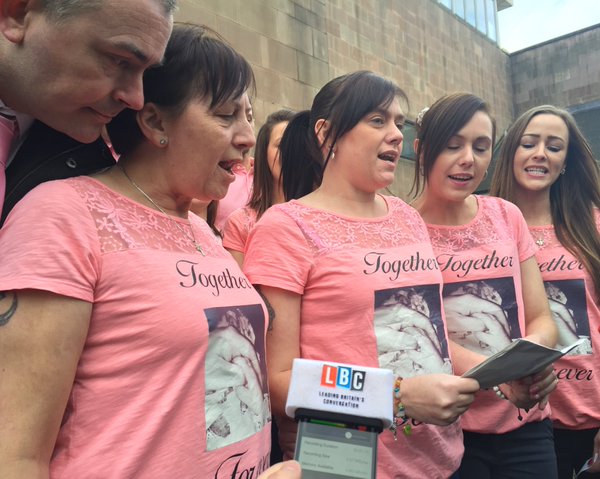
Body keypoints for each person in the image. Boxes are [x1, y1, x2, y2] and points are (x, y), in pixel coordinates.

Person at [0, 23, 287, 477]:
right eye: (226, 115)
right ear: (154, 121)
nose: (248, 136)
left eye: (250, 115)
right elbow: (14, 455)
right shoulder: (64, 216)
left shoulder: (201, 229)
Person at [243, 71, 480, 479]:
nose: (395, 135)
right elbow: (276, 381)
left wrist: (496, 373)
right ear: (325, 132)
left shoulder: (407, 218)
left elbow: (431, 334)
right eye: (377, 120)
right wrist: (396, 397)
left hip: (443, 458)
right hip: (350, 464)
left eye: (399, 123)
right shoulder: (285, 227)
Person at [411, 92, 559, 478]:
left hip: (527, 426)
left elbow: (541, 316)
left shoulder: (505, 215)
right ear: (421, 150)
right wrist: (500, 374)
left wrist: (534, 364)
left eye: (481, 147)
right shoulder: (403, 231)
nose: (468, 160)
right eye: (452, 145)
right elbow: (429, 333)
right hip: (449, 430)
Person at [490, 105, 600, 477]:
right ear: (510, 153)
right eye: (529, 143)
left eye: (554, 147)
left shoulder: (593, 226)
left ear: (566, 161)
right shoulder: (485, 228)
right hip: (519, 424)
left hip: (592, 417)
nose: (540, 154)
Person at [0, 0, 175, 220]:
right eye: (119, 61)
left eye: (145, 73)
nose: (136, 99)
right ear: (18, 15)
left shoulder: (89, 167)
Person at [223, 108, 295, 266]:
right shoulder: (240, 223)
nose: (292, 153)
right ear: (264, 153)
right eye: (282, 145)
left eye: (299, 146)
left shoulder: (326, 215)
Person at [214, 95, 256, 231]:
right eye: (227, 115)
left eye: (249, 119)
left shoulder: (268, 175)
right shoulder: (212, 176)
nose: (249, 137)